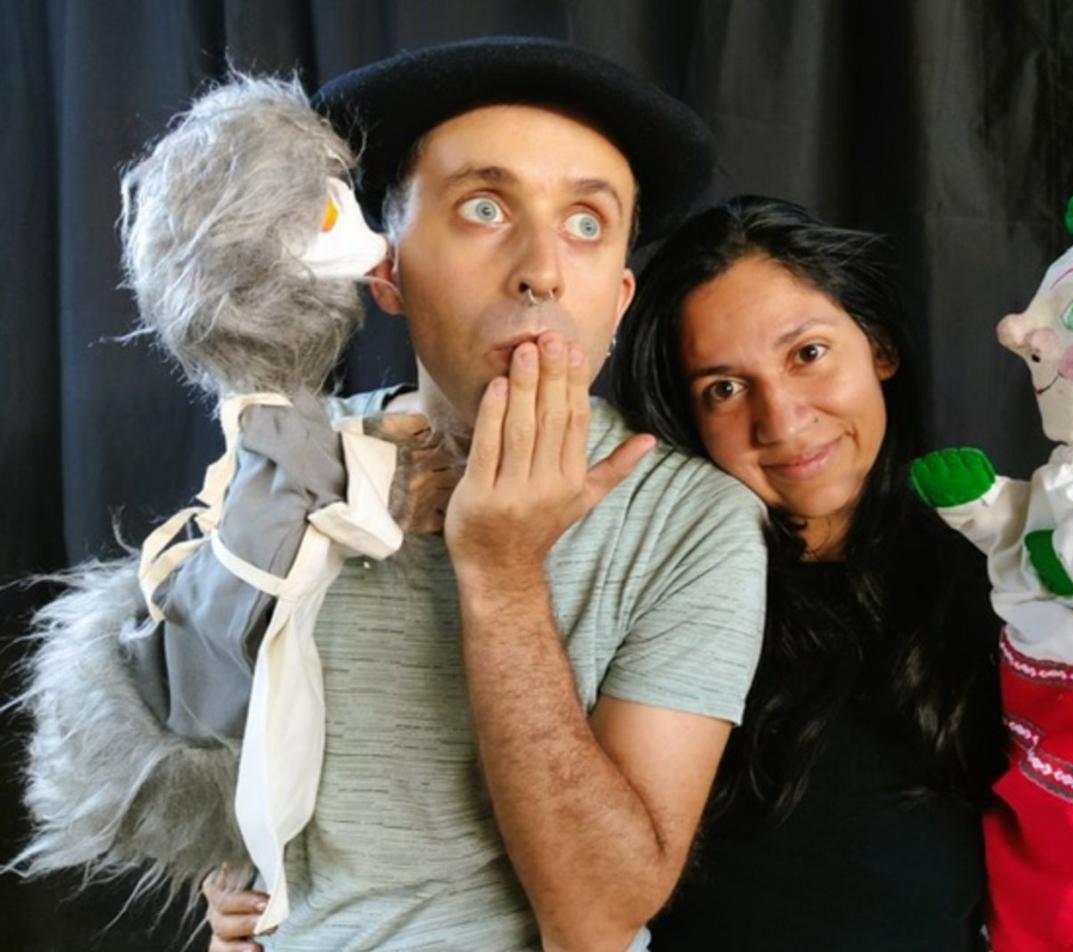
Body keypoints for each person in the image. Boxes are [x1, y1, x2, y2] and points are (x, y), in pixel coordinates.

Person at [19, 38, 767, 952]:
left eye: (584, 222)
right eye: (484, 208)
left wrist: (502, 574)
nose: (540, 268)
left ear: (617, 299)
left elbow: (598, 918)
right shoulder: (295, 458)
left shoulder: (694, 522)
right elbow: (198, 727)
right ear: (386, 271)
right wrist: (237, 868)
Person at [611, 195, 1010, 949]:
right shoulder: (659, 599)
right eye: (724, 388)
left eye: (808, 354)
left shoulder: (1003, 582)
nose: (783, 421)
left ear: (880, 346)